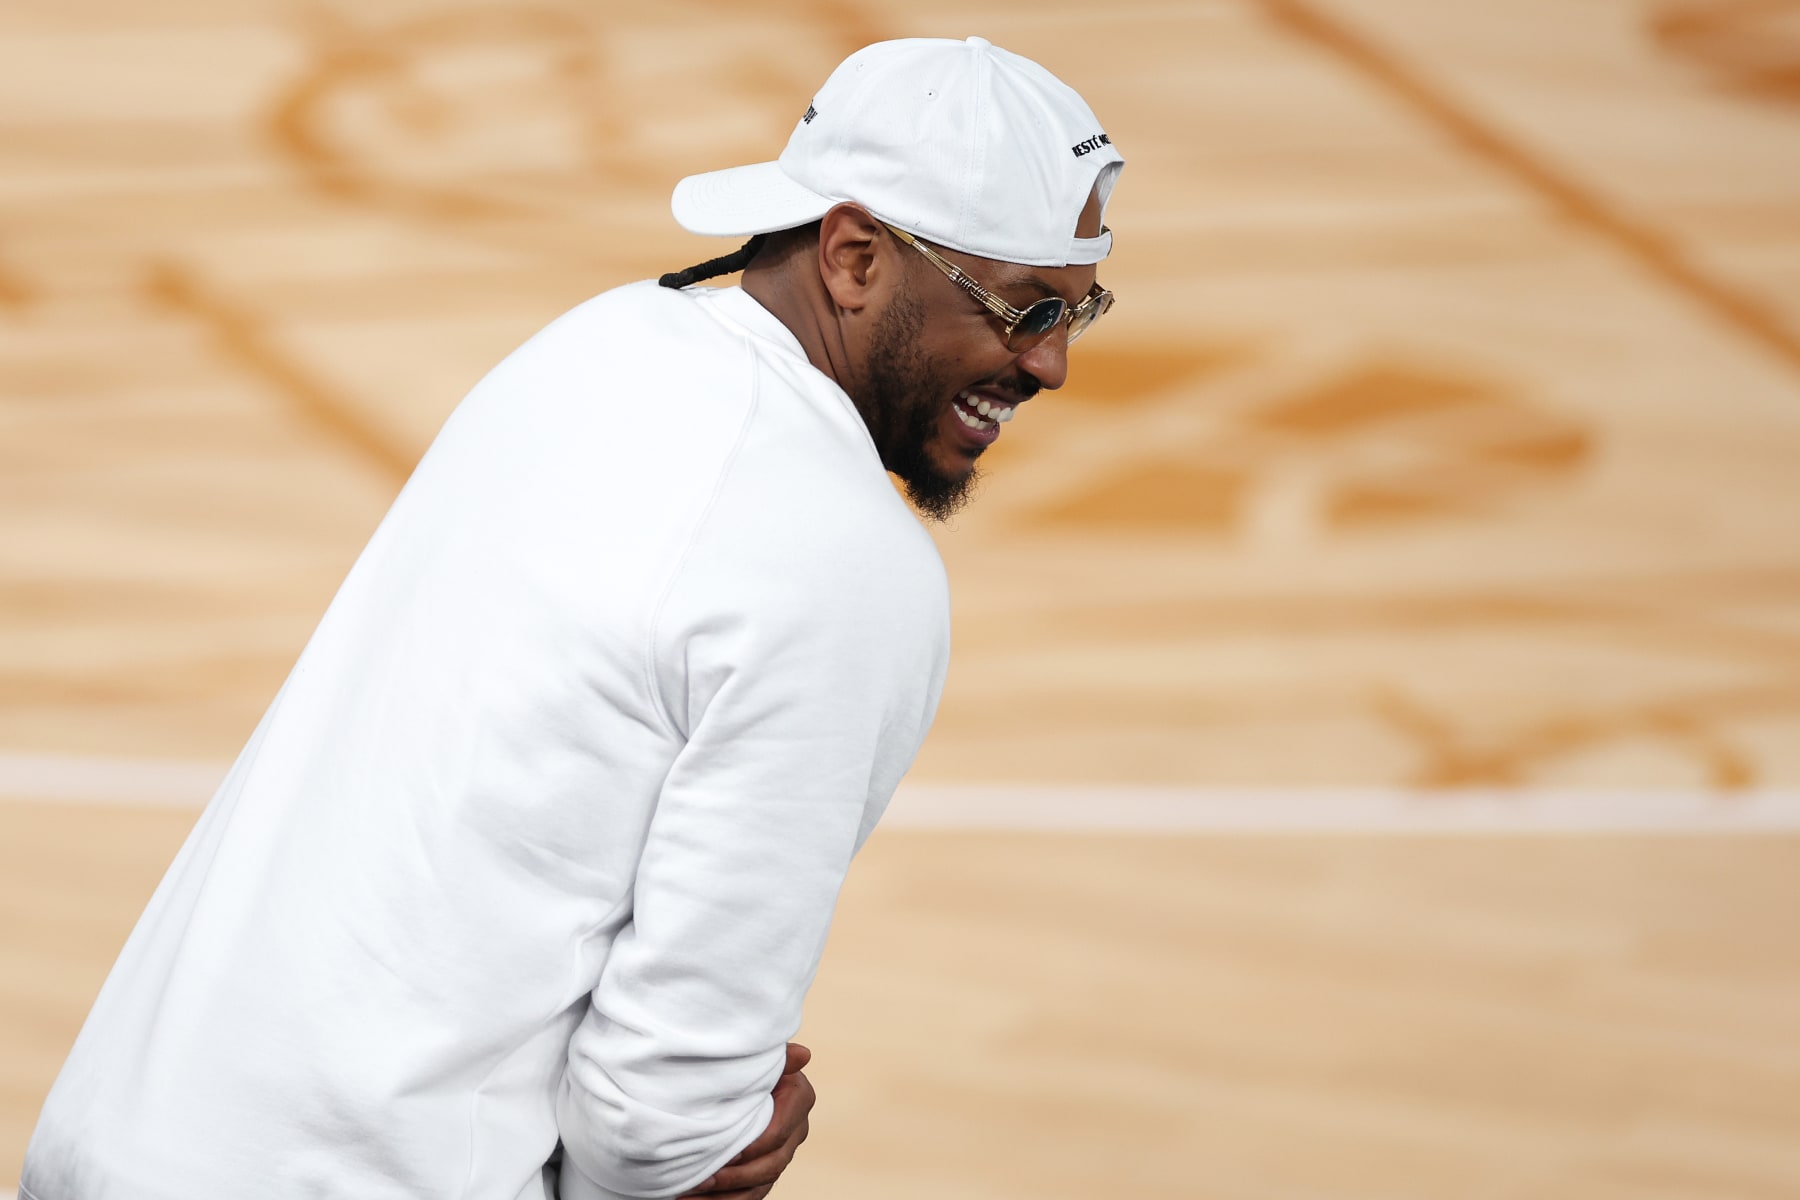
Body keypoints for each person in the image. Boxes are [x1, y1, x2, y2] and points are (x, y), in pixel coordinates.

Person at [22, 35, 1123, 1200]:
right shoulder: (845, 559)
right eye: (1022, 307)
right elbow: (661, 1129)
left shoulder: (597, 347)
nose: (1050, 363)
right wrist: (697, 1150)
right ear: (853, 256)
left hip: (123, 1139)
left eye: (1081, 306)